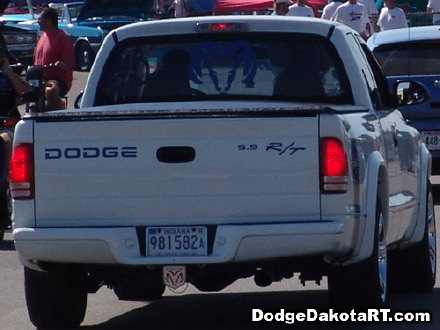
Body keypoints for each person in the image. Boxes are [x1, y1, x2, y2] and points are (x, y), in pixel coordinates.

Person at [34, 7, 75, 111]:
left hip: (59, 80)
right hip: (40, 78)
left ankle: (61, 112)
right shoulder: (42, 37)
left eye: (41, 19)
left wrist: (62, 65)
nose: (38, 22)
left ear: (49, 21)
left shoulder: (63, 37)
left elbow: (70, 62)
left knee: (50, 90)